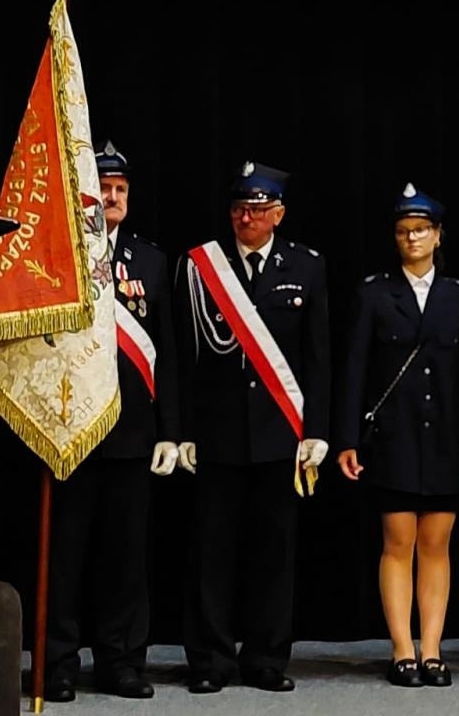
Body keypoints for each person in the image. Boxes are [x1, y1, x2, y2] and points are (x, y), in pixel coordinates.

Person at [175, 161, 330, 694]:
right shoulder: (201, 266)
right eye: (241, 208)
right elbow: (182, 358)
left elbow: (318, 358)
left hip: (278, 435)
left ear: (278, 214)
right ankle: (209, 661)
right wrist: (181, 430)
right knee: (211, 555)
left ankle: (266, 658)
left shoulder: (307, 267)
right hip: (217, 434)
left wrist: (317, 430)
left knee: (273, 555)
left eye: (259, 209)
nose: (248, 217)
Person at [335, 184, 459, 687]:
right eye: (404, 231)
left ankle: (432, 649)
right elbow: (354, 369)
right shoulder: (374, 293)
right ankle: (402, 648)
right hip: (394, 437)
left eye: (421, 230)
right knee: (397, 541)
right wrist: (347, 439)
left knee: (437, 543)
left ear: (439, 234)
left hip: (447, 436)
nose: (413, 238)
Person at [44, 142, 180, 703]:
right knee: (66, 554)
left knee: (125, 557)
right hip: (74, 428)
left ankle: (122, 660)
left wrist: (170, 429)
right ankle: (56, 661)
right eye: (105, 188)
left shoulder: (150, 260)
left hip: (131, 432)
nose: (114, 197)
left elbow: (166, 346)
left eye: (121, 190)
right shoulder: (60, 254)